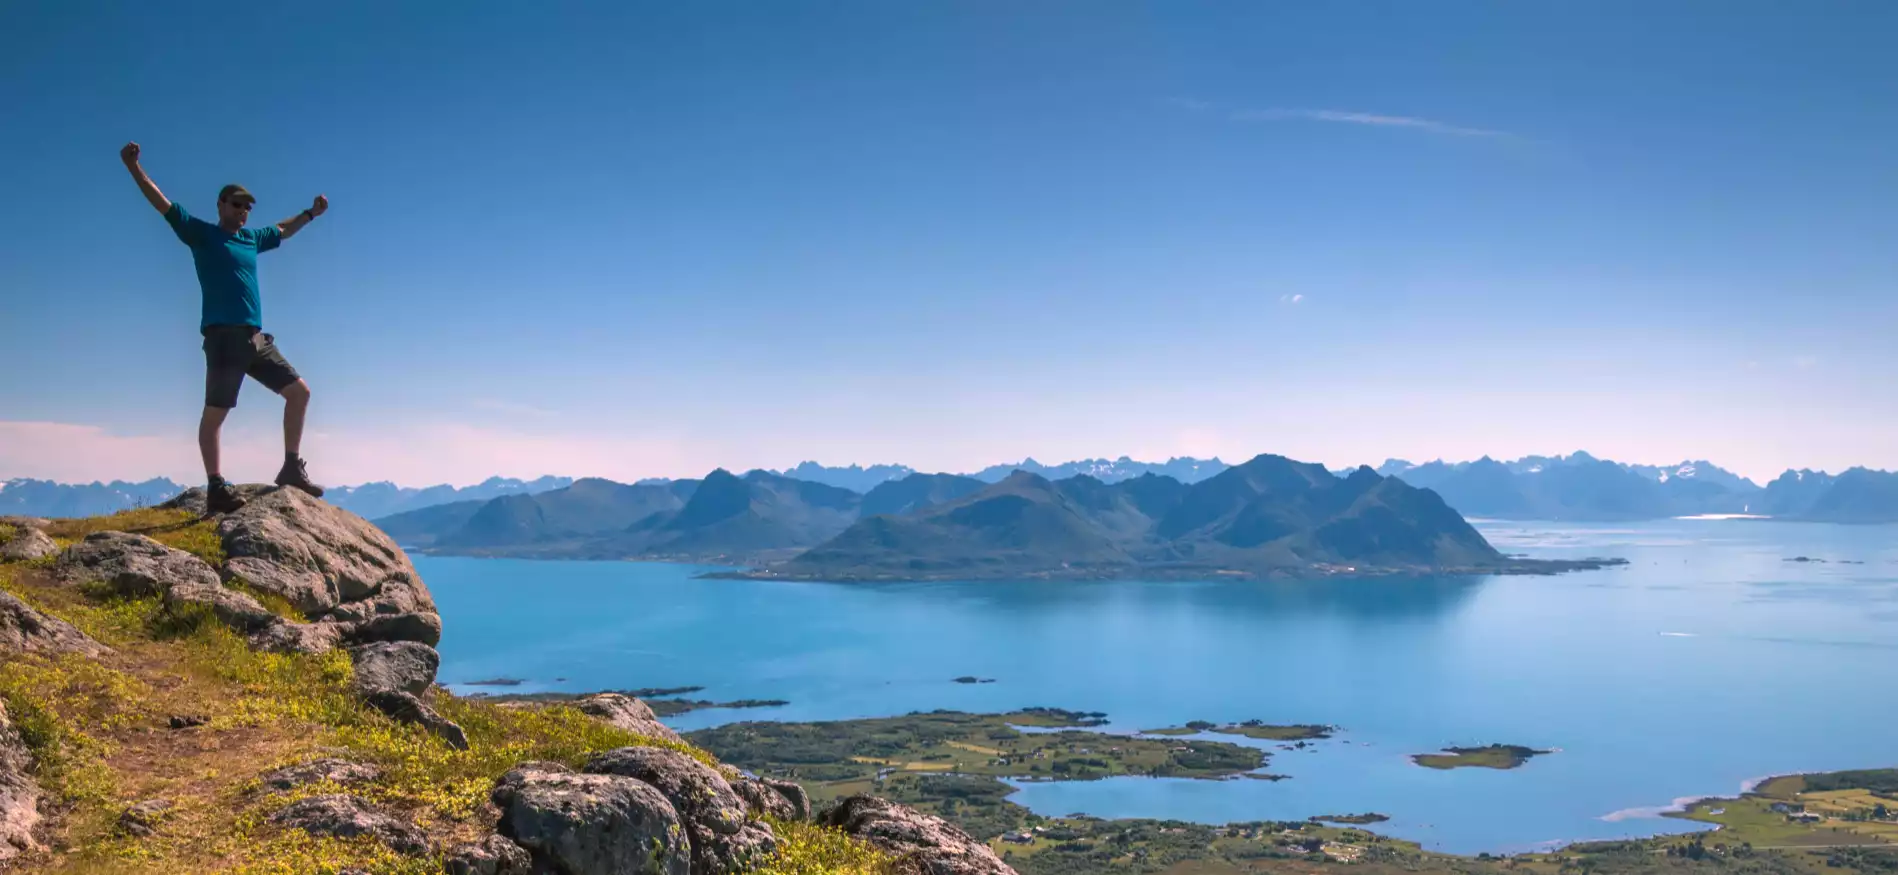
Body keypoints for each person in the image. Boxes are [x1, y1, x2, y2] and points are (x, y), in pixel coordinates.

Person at [120, 142, 328, 513]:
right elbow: (163, 205)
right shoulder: (202, 234)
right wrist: (134, 167)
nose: (244, 211)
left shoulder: (250, 239)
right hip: (223, 338)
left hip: (255, 339)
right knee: (215, 414)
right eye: (237, 204)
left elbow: (282, 229)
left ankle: (291, 467)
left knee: (300, 393)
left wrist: (309, 214)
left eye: (248, 207)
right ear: (220, 205)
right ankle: (216, 486)